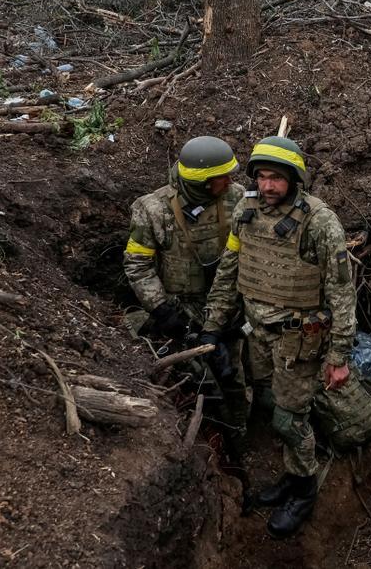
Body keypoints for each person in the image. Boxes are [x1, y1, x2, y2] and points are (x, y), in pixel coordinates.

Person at [202, 135, 357, 538]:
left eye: (277, 179)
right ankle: (291, 477)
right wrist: (213, 327)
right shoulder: (245, 210)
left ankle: (304, 489)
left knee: (289, 419)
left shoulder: (320, 222)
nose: (268, 186)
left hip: (297, 340)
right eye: (262, 178)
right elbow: (230, 270)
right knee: (271, 404)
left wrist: (338, 356)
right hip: (257, 333)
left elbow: (342, 293)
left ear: (294, 179)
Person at [123, 135, 253, 485]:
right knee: (200, 376)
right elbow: (137, 265)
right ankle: (213, 435)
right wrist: (162, 309)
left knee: (234, 370)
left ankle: (241, 426)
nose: (230, 182)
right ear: (199, 181)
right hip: (182, 308)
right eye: (221, 177)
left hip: (228, 303)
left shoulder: (237, 199)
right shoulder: (152, 209)